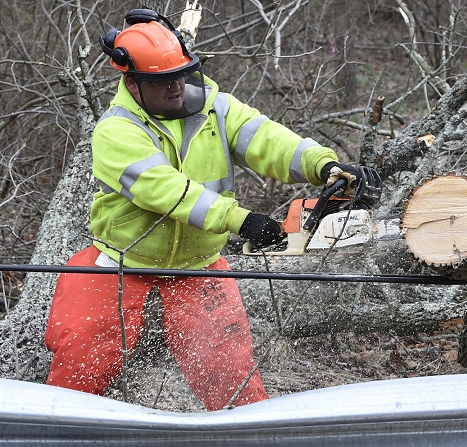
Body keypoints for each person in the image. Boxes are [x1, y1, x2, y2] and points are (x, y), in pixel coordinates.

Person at [44, 7, 377, 411]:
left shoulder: (214, 108)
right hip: (123, 259)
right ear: (132, 83)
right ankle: (61, 434)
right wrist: (240, 220)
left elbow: (267, 139)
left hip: (198, 262)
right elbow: (166, 190)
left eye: (180, 76)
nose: (176, 87)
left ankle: (246, 445)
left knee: (231, 374)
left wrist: (322, 164)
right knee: (82, 361)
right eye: (162, 81)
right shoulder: (116, 130)